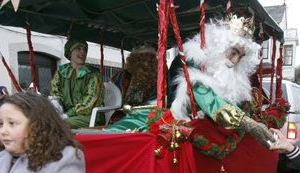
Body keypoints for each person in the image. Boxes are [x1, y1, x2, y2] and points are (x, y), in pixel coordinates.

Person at [106, 15, 275, 147]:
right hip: (167, 119)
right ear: (219, 46)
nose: (235, 60)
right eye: (233, 52)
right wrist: (246, 122)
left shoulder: (225, 72)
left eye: (241, 56)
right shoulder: (195, 62)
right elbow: (206, 97)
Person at [51, 38, 104, 128]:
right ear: (70, 52)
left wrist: (68, 114)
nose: (82, 52)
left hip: (89, 115)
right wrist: (56, 105)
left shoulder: (93, 74)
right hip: (66, 113)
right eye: (78, 49)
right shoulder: (61, 71)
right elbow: (55, 92)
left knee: (60, 124)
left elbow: (90, 99)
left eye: (85, 50)